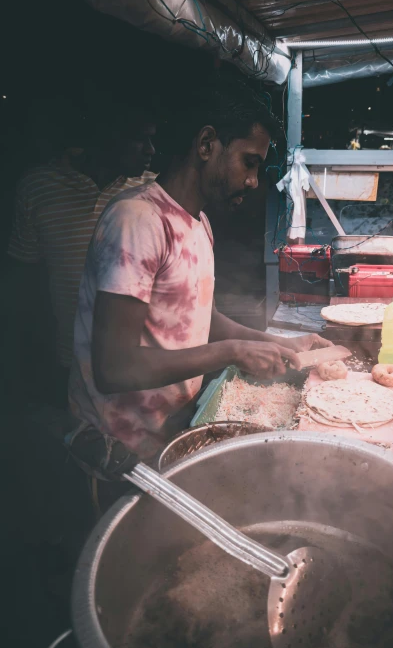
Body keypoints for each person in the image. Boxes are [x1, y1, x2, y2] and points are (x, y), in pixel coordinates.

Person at [67, 82, 331, 481]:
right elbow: (113, 368)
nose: (254, 181)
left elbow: (201, 317)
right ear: (207, 144)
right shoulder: (137, 220)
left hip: (169, 429)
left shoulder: (199, 222)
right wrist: (232, 352)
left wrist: (279, 343)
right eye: (249, 162)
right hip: (118, 449)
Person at [6, 96, 157, 406]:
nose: (150, 151)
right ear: (105, 134)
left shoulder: (153, 190)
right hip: (67, 358)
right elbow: (26, 278)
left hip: (138, 361)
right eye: (138, 138)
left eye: (151, 139)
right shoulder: (37, 186)